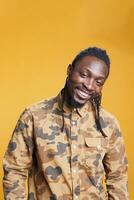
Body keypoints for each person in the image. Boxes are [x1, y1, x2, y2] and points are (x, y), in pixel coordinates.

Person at [3, 47, 129, 200]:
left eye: (98, 82)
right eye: (84, 75)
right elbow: (15, 170)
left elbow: (117, 177)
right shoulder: (33, 116)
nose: (89, 85)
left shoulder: (109, 124)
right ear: (70, 70)